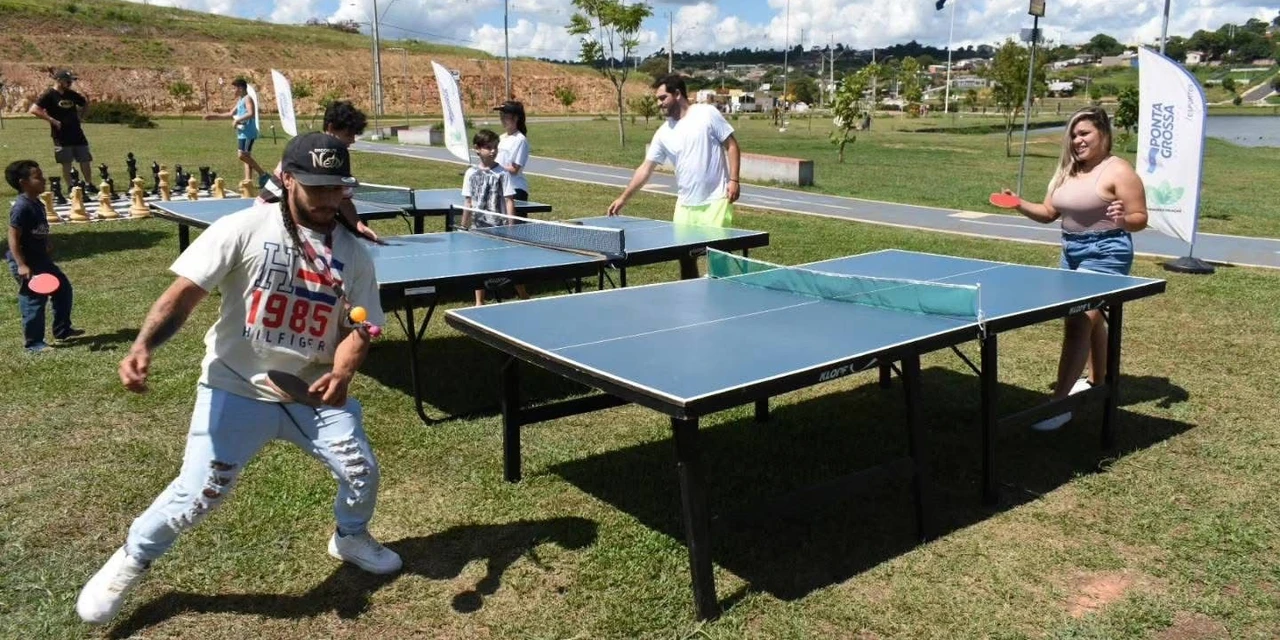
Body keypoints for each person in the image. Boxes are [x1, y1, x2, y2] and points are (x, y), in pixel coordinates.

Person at [75, 132, 400, 626]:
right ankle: (130, 560)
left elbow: (361, 327)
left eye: (338, 189)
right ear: (286, 178)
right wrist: (143, 345)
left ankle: (350, 537)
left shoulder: (353, 254)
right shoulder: (244, 229)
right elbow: (184, 295)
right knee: (198, 494)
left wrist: (341, 370)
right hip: (236, 386)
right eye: (317, 188)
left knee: (361, 473)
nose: (329, 200)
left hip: (310, 393)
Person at [1000, 106, 1148, 431]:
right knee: (1090, 318)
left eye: (1084, 133)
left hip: (1106, 253)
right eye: (1074, 135)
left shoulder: (1118, 171)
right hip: (1071, 253)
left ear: (1103, 134)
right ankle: (1098, 380)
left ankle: (1060, 403)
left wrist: (1123, 219)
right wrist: (1019, 204)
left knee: (1079, 321)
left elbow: (1140, 218)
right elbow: (1049, 212)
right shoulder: (1067, 170)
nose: (1077, 140)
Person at [608, 74, 741, 229]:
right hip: (685, 205)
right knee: (682, 252)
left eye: (663, 98)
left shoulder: (707, 114)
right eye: (657, 99)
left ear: (677, 94)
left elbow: (732, 146)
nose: (659, 103)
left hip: (716, 201)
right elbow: (645, 169)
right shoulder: (663, 133)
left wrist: (734, 180)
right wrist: (623, 198)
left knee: (715, 252)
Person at [259, 100, 380, 242]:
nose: (353, 140)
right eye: (348, 134)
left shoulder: (336, 157)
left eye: (354, 135)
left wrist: (357, 224)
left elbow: (344, 200)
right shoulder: (304, 152)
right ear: (331, 128)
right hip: (271, 215)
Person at [5, 160, 82, 353]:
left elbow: (39, 227)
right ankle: (34, 343)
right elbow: (13, 236)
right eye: (38, 177)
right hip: (26, 262)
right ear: (23, 182)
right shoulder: (21, 207)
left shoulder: (37, 203)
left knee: (63, 289)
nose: (44, 179)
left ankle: (62, 330)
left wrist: (46, 240)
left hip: (42, 260)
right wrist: (21, 264)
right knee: (33, 301)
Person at [460, 129, 523, 306]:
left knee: (510, 264)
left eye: (495, 147)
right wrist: (463, 227)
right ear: (477, 149)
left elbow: (509, 200)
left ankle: (523, 294)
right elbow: (468, 202)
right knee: (479, 266)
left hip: (499, 228)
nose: (493, 150)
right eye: (489, 147)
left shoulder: (503, 173)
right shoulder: (470, 173)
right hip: (478, 229)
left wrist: (512, 227)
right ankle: (479, 301)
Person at [28, 70, 95, 193]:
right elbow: (34, 109)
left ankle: (89, 184)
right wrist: (52, 120)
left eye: (71, 81)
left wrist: (82, 116)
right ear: (59, 80)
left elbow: (85, 103)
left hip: (77, 132)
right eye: (67, 81)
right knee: (66, 162)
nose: (70, 83)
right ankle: (71, 187)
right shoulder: (49, 94)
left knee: (85, 159)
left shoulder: (71, 94)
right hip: (61, 135)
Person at [204, 78, 266, 185]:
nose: (233, 91)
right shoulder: (240, 100)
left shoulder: (247, 99)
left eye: (234, 88)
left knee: (242, 155)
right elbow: (230, 113)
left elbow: (251, 113)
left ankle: (263, 174)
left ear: (240, 88)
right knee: (246, 156)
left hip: (248, 132)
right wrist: (213, 116)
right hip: (242, 132)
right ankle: (248, 180)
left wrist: (238, 120)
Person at [494, 100, 532, 204]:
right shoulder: (501, 138)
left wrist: (493, 168)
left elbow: (514, 169)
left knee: (515, 220)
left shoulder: (520, 140)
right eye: (500, 115)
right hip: (501, 188)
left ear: (515, 118)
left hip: (515, 190)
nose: (502, 118)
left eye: (505, 115)